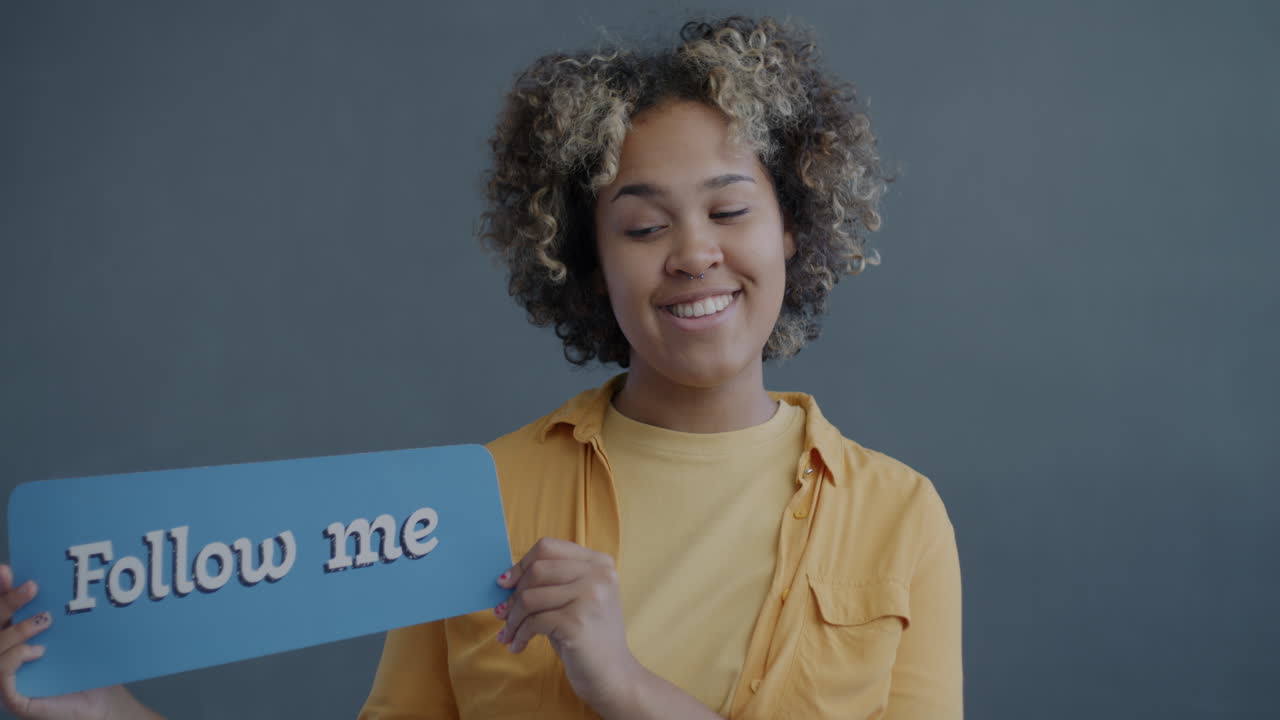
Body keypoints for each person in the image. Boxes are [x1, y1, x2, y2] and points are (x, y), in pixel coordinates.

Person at [0, 15, 962, 720]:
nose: (693, 253)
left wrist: (622, 686)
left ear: (792, 226)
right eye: (641, 224)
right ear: (589, 260)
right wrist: (101, 715)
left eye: (729, 209)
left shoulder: (896, 517)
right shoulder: (477, 499)